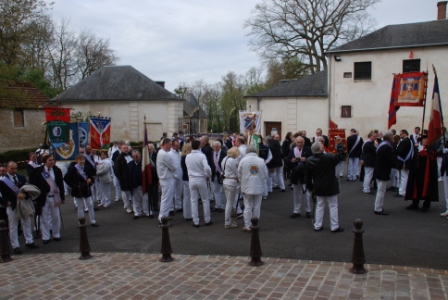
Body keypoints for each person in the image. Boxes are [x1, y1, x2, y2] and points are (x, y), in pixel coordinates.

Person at [305, 139, 345, 232]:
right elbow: (341, 155)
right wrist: (339, 144)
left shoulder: (309, 160)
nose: (323, 147)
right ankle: (334, 226)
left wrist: (310, 188)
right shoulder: (329, 157)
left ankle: (317, 225)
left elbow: (307, 177)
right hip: (330, 185)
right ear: (321, 149)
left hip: (318, 186)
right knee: (333, 206)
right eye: (322, 146)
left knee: (319, 205)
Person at [0, 161, 39, 254]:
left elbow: (28, 189)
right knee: (13, 225)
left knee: (27, 222)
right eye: (12, 169)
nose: (14, 170)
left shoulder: (21, 177)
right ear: (7, 169)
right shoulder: (2, 181)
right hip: (12, 205)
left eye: (15, 168)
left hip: (23, 203)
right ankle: (15, 245)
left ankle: (29, 241)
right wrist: (6, 203)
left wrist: (25, 195)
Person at [30, 154, 65, 244]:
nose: (52, 162)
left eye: (52, 160)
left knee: (56, 217)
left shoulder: (57, 170)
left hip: (55, 196)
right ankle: (46, 236)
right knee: (44, 217)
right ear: (45, 161)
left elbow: (61, 184)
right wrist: (34, 199)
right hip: (43, 197)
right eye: (49, 160)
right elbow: (34, 185)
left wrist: (62, 196)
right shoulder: (38, 171)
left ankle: (56, 234)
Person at [238, 145, 268, 233]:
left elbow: (239, 173)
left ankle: (247, 226)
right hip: (258, 186)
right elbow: (266, 174)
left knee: (247, 206)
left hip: (247, 186)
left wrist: (242, 181)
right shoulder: (261, 160)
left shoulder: (243, 160)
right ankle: (255, 224)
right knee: (257, 206)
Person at [405, 135, 439, 212]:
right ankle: (415, 203)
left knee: (426, 188)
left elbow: (432, 157)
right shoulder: (417, 149)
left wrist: (425, 153)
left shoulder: (430, 150)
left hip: (426, 173)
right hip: (417, 172)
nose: (426, 140)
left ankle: (426, 205)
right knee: (416, 188)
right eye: (424, 139)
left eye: (427, 139)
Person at [64, 154, 99, 227]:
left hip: (86, 188)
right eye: (80, 160)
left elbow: (91, 177)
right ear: (77, 161)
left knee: (90, 204)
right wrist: (74, 185)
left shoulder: (87, 168)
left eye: (83, 160)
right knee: (80, 206)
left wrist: (91, 180)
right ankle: (81, 221)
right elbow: (66, 178)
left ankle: (93, 220)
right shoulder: (73, 169)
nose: (82, 161)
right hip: (78, 189)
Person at [186, 139, 212, 228]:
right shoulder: (202, 156)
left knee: (193, 201)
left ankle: (195, 221)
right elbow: (207, 168)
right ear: (199, 146)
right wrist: (208, 175)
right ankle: (207, 219)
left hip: (192, 179)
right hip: (201, 179)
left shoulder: (188, 156)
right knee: (205, 200)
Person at [288, 136, 313, 218]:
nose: (299, 144)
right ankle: (296, 210)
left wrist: (306, 159)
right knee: (296, 194)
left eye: (301, 142)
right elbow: (287, 160)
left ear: (303, 142)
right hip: (295, 174)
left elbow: (312, 159)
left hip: (305, 174)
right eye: (298, 142)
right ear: (295, 142)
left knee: (306, 194)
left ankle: (308, 210)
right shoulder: (292, 150)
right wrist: (291, 160)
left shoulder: (308, 149)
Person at [373, 131, 396, 215]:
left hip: (379, 170)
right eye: (392, 137)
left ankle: (378, 207)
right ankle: (378, 208)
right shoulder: (386, 147)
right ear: (389, 138)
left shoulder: (382, 145)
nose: (393, 138)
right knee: (381, 191)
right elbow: (390, 160)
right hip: (382, 171)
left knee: (380, 190)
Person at [157, 138, 177, 225]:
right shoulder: (164, 154)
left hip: (165, 179)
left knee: (165, 199)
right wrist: (174, 166)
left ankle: (163, 216)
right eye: (169, 144)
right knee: (166, 199)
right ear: (165, 144)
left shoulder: (161, 152)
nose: (171, 146)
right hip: (167, 179)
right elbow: (173, 167)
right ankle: (162, 218)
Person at [128, 150, 151, 218]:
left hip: (143, 184)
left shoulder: (144, 164)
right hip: (135, 185)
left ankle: (147, 211)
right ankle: (137, 212)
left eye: (137, 156)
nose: (135, 158)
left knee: (145, 199)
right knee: (136, 199)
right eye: (133, 156)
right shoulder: (130, 164)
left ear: (140, 156)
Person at [222, 147, 240, 228]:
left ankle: (227, 221)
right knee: (229, 203)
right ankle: (227, 222)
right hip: (231, 182)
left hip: (225, 181)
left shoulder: (225, 158)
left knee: (228, 202)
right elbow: (237, 171)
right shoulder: (232, 160)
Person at [113, 144, 133, 213]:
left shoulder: (130, 156)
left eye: (127, 148)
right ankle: (127, 206)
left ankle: (131, 205)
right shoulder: (119, 158)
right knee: (125, 193)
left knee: (131, 193)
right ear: (121, 149)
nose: (126, 149)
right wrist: (121, 178)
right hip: (124, 179)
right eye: (124, 148)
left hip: (131, 178)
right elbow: (116, 170)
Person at [394, 129, 413, 197]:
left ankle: (402, 191)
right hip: (405, 161)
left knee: (403, 177)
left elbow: (400, 151)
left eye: (401, 134)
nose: (400, 135)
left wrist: (395, 150)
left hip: (403, 161)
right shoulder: (408, 141)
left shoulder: (405, 141)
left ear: (405, 133)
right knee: (404, 176)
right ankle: (402, 190)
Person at [211, 141, 227, 213]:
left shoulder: (224, 153)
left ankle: (223, 206)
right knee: (215, 190)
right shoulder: (212, 153)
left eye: (217, 146)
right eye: (214, 146)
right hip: (214, 174)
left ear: (220, 146)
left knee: (222, 191)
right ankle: (217, 205)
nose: (215, 148)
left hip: (221, 174)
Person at [169, 139, 183, 213]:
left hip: (180, 174)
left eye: (179, 145)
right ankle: (171, 208)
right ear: (173, 146)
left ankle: (178, 206)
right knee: (171, 192)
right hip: (173, 175)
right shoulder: (169, 154)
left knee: (179, 191)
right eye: (177, 146)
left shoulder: (180, 153)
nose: (178, 147)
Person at [180, 143, 192, 220]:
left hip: (185, 178)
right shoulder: (186, 158)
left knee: (186, 197)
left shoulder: (183, 157)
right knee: (188, 197)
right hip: (187, 178)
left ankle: (187, 214)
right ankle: (188, 214)